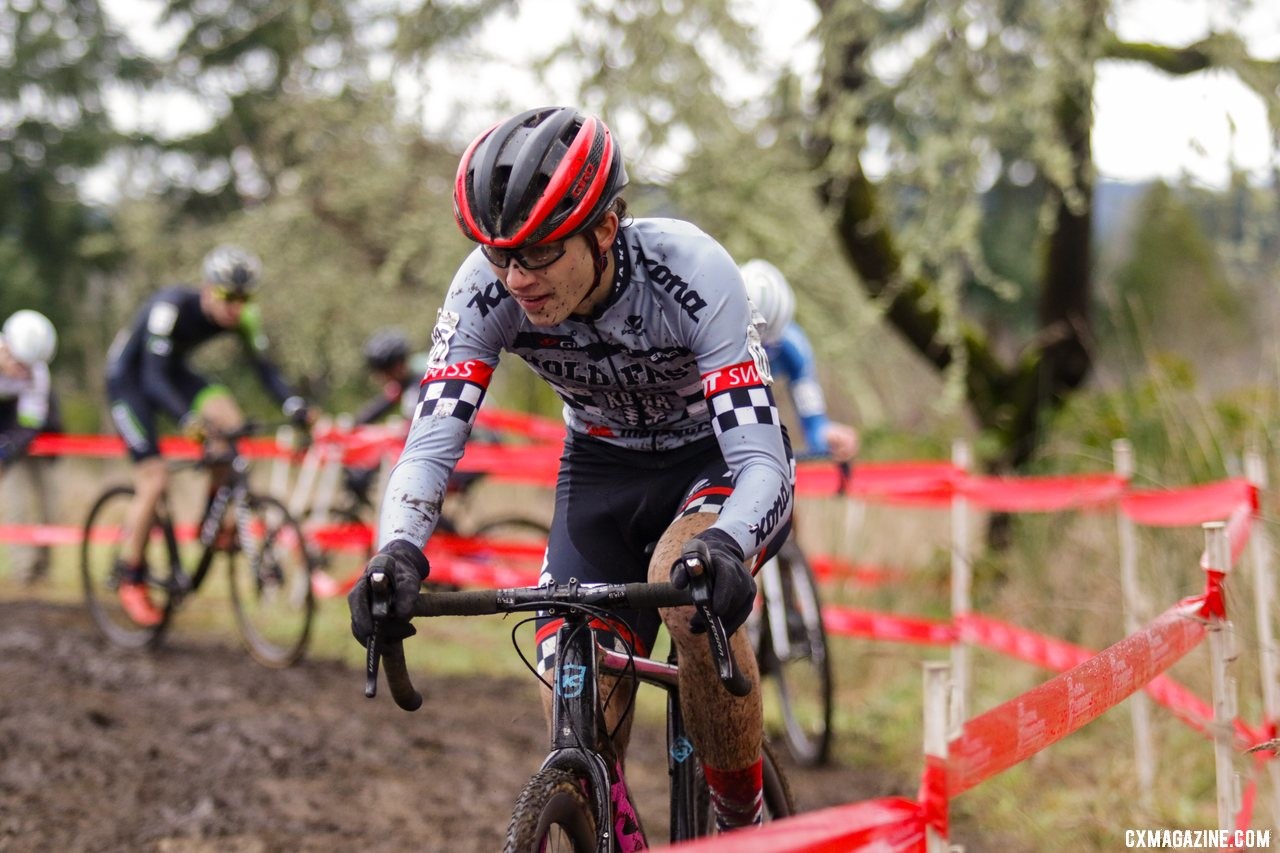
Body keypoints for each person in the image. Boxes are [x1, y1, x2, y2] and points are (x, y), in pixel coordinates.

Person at [348, 106, 795, 834]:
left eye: (539, 253)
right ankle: (599, 811)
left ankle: (741, 821)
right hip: (599, 471)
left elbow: (759, 457)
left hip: (711, 461)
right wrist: (397, 549)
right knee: (577, 681)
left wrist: (730, 542)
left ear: (606, 229)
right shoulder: (483, 289)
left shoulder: (693, 271)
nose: (517, 278)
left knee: (688, 590)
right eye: (498, 254)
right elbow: (431, 441)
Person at [105, 244, 313, 626]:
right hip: (130, 381)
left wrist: (294, 405)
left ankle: (210, 521)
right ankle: (130, 574)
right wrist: (187, 420)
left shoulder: (245, 317)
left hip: (173, 374)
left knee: (228, 418)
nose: (235, 306)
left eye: (244, 298)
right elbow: (152, 378)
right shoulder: (169, 308)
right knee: (154, 478)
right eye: (227, 297)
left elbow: (265, 370)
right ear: (206, 288)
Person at [739, 258, 859, 462]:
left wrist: (826, 435)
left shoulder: (793, 347)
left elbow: (814, 421)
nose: (759, 354)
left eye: (767, 346)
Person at [0, 310, 59, 583]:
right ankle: (23, 569)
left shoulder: (37, 374)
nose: (22, 372)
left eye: (29, 366)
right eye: (18, 363)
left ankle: (41, 569)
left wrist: (5, 453)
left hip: (22, 434)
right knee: (16, 501)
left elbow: (28, 424)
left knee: (47, 498)